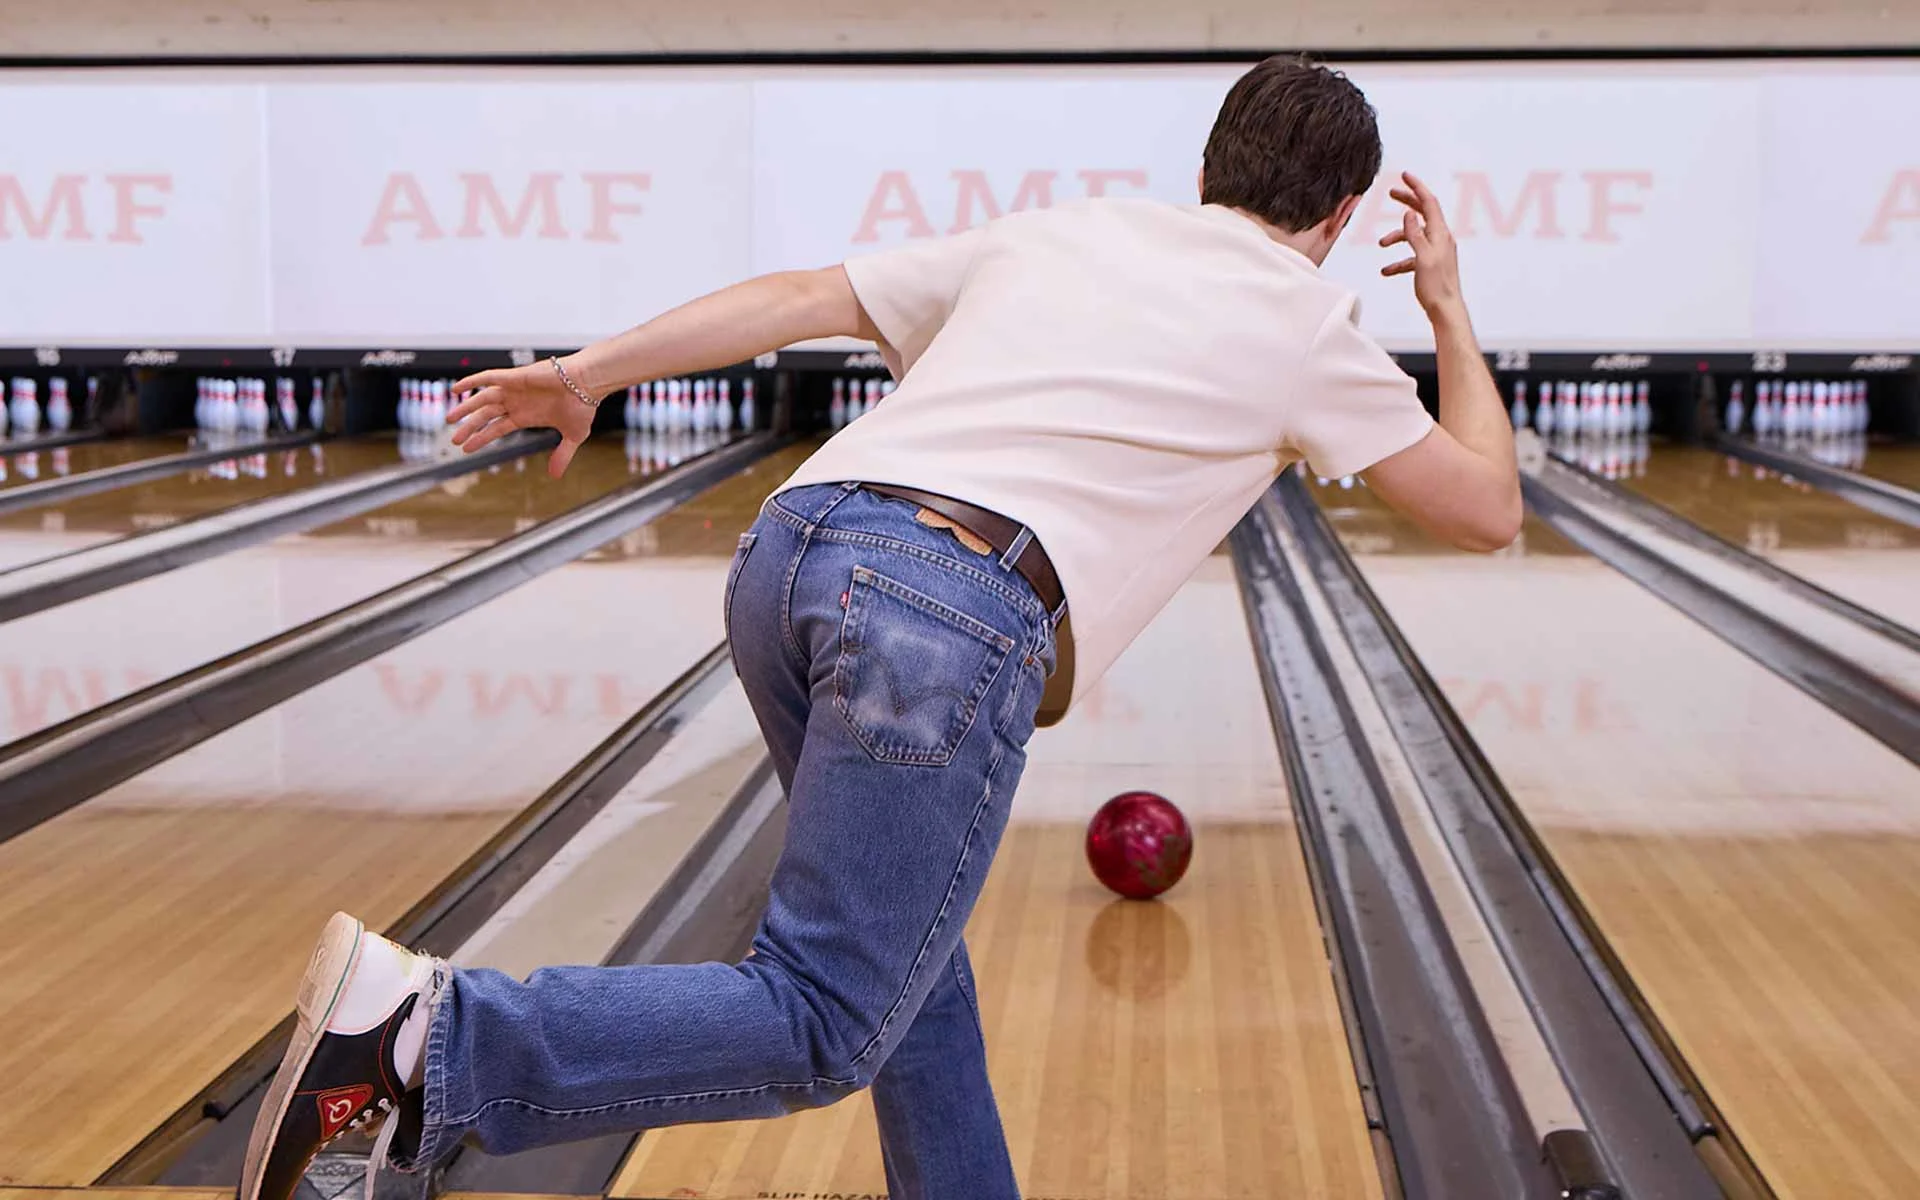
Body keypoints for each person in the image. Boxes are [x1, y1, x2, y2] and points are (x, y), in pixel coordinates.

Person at [241, 56, 1519, 1200]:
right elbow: (1486, 510)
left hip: (793, 550)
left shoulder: (1064, 233)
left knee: (909, 966)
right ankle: (431, 1041)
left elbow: (803, 295)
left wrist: (583, 377)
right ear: (1343, 219)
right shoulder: (1309, 322)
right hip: (946, 612)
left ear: (1207, 168)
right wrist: (1451, 307)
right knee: (824, 1019)